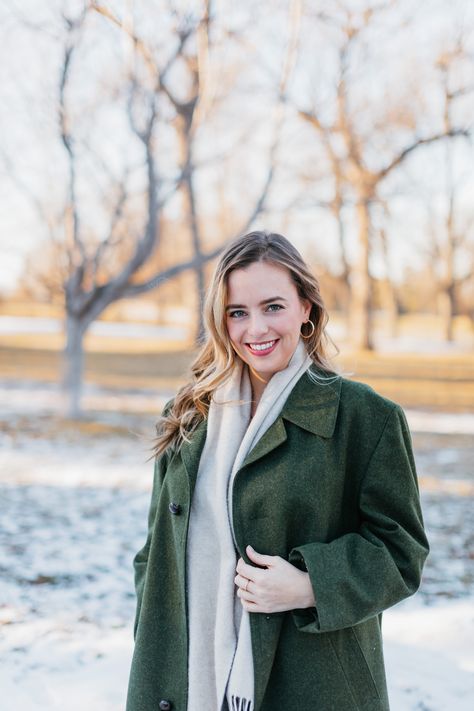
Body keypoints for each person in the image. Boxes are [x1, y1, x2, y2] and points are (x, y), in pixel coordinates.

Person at [126, 230, 429, 711]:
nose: (255, 330)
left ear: (306, 307)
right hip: (185, 680)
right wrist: (155, 628)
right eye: (237, 312)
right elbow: (156, 547)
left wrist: (310, 585)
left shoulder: (365, 418)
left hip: (314, 681)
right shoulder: (188, 415)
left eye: (273, 307)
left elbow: (401, 552)